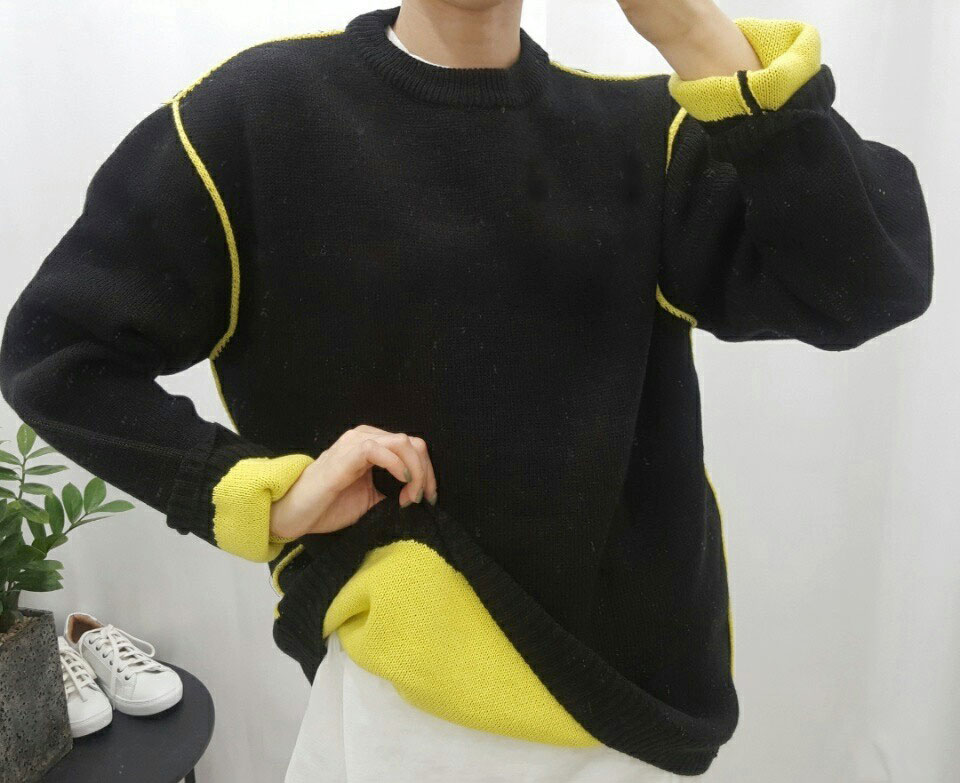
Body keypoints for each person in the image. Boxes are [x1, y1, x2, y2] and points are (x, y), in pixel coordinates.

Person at [0, 1, 933, 781]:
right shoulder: (259, 118)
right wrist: (262, 497)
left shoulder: (637, 135)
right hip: (401, 713)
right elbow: (57, 347)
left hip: (629, 716)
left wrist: (690, 31)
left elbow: (869, 281)